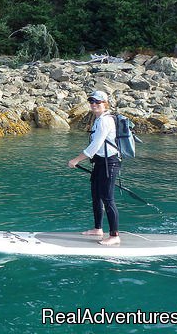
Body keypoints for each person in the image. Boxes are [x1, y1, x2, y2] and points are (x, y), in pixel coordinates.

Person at [67, 90, 121, 245]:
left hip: (110, 162)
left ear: (105, 104)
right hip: (99, 162)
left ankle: (115, 236)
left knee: (108, 199)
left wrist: (75, 160)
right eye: (91, 102)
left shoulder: (105, 120)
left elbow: (94, 146)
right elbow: (95, 147)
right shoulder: (98, 119)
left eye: (98, 102)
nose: (94, 105)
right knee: (96, 196)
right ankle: (98, 229)